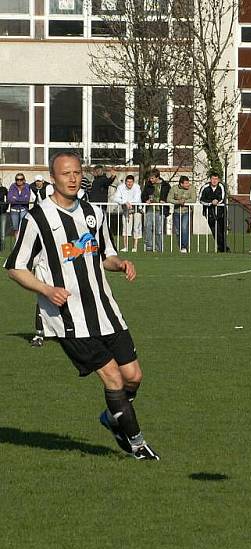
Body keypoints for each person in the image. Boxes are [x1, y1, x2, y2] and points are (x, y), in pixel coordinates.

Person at [4, 150, 159, 460]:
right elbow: (15, 266)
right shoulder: (38, 218)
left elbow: (106, 254)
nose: (73, 178)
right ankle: (137, 444)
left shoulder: (92, 213)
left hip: (106, 309)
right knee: (113, 378)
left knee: (134, 377)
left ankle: (113, 415)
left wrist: (121, 264)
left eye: (76, 172)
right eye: (66, 173)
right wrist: (46, 289)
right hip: (69, 318)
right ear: (53, 178)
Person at [141, 169, 170, 252]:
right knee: (148, 227)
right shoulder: (148, 185)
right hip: (150, 210)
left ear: (157, 177)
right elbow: (143, 196)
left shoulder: (166, 185)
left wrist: (164, 200)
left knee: (159, 230)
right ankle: (149, 247)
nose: (151, 180)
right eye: (150, 178)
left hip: (160, 210)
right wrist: (146, 200)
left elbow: (170, 196)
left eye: (152, 178)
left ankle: (159, 248)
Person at [198, 173, 229, 253]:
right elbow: (201, 199)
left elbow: (223, 197)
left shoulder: (221, 187)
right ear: (210, 179)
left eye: (216, 179)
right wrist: (210, 203)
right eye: (213, 179)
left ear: (218, 180)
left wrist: (217, 201)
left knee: (222, 231)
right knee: (215, 231)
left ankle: (223, 247)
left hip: (221, 212)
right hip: (209, 213)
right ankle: (222, 248)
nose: (214, 181)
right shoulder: (205, 187)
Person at [113, 175, 143, 252]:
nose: (129, 183)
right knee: (126, 228)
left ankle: (135, 247)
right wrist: (125, 202)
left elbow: (137, 199)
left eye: (131, 182)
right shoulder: (120, 187)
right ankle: (125, 247)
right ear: (125, 182)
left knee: (136, 228)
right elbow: (116, 198)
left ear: (133, 182)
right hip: (126, 209)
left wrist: (130, 203)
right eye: (128, 182)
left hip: (137, 209)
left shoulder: (137, 187)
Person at [167, 175, 195, 253]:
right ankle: (181, 246)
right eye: (186, 183)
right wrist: (178, 202)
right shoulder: (174, 188)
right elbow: (169, 199)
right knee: (178, 230)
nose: (188, 185)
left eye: (188, 183)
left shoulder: (192, 188)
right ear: (181, 184)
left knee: (184, 228)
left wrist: (184, 202)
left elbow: (193, 199)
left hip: (186, 211)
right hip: (176, 212)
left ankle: (184, 246)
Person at [8, 172, 32, 242]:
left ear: (24, 180)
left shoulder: (27, 187)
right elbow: (10, 199)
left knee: (23, 228)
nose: (19, 181)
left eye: (21, 179)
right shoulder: (12, 186)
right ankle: (17, 244)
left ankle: (23, 244)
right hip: (14, 210)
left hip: (24, 209)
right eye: (17, 179)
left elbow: (26, 201)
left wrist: (16, 198)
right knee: (16, 229)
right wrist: (21, 199)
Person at [0, 178, 7, 252]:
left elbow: (8, 198)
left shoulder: (4, 189)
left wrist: (6, 206)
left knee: (2, 231)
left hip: (2, 212)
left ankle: (2, 248)